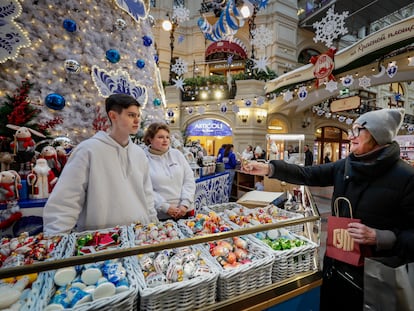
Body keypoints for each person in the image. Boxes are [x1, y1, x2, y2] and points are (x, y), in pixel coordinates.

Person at [241, 108, 414, 311]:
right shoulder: (346, 165)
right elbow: (307, 174)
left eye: (358, 130)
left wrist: (379, 236)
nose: (351, 135)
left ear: (378, 135)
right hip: (336, 267)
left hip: (376, 277)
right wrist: (269, 169)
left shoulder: (406, 178)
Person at [43, 93, 158, 234]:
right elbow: (66, 199)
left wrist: (153, 225)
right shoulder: (88, 150)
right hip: (101, 242)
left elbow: (147, 195)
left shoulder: (139, 154)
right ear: (113, 116)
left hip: (139, 236)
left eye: (138, 115)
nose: (137, 120)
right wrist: (55, 239)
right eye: (131, 115)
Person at [143, 122, 196, 221]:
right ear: (150, 139)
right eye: (160, 137)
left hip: (184, 211)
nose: (165, 140)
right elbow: (144, 188)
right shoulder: (143, 158)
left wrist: (185, 204)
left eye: (167, 137)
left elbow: (189, 180)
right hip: (160, 216)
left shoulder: (177, 155)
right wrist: (165, 207)